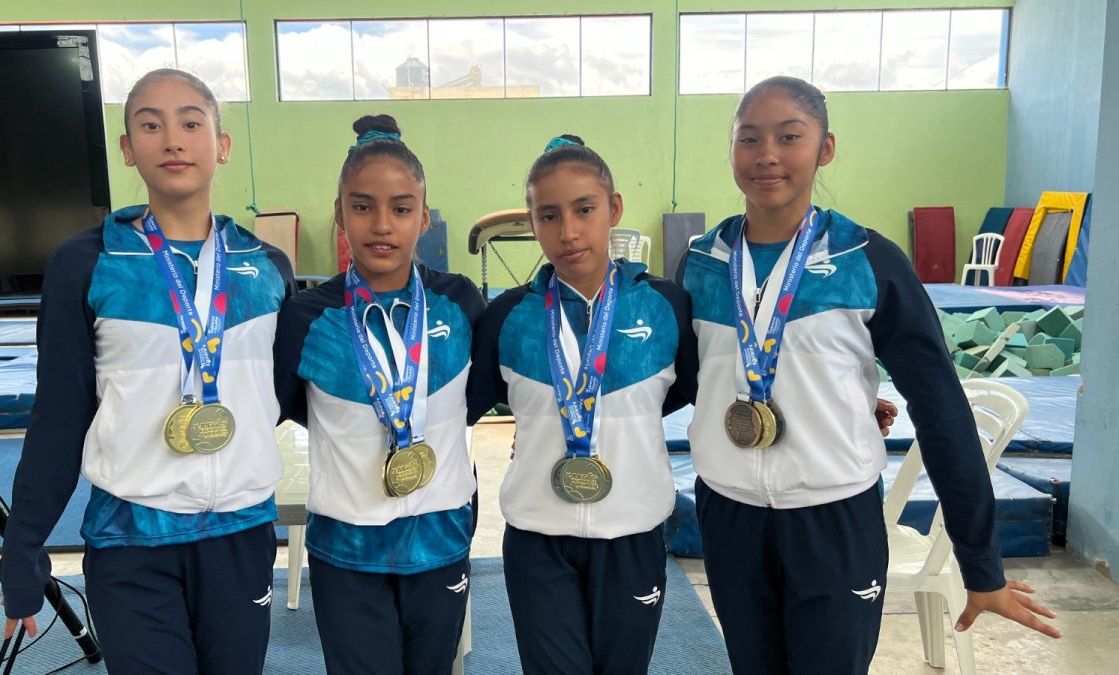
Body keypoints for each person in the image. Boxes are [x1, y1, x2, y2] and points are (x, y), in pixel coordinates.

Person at [677, 75, 1060, 674]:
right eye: (749, 138)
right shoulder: (702, 263)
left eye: (789, 136)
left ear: (825, 148)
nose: (767, 154)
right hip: (730, 514)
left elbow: (938, 406)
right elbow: (679, 378)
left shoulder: (867, 260)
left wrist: (980, 563)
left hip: (834, 518)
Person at [0, 69, 294, 673]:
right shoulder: (88, 263)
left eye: (191, 122)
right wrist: (22, 547)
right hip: (130, 540)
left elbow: (290, 396)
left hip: (241, 533)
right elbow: (59, 411)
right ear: (128, 149)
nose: (173, 139)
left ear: (222, 144)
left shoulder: (267, 268)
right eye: (150, 125)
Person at [467, 134, 698, 674]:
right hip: (538, 538)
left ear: (613, 209)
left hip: (634, 531)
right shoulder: (507, 318)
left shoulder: (666, 306)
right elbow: (460, 406)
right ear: (532, 222)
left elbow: (701, 386)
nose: (568, 231)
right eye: (548, 216)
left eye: (584, 209)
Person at [273, 114, 484, 674]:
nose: (382, 224)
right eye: (362, 206)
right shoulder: (306, 316)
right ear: (340, 214)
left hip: (440, 536)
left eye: (401, 207)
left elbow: (479, 396)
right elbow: (293, 406)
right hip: (346, 546)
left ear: (424, 215)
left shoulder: (460, 304)